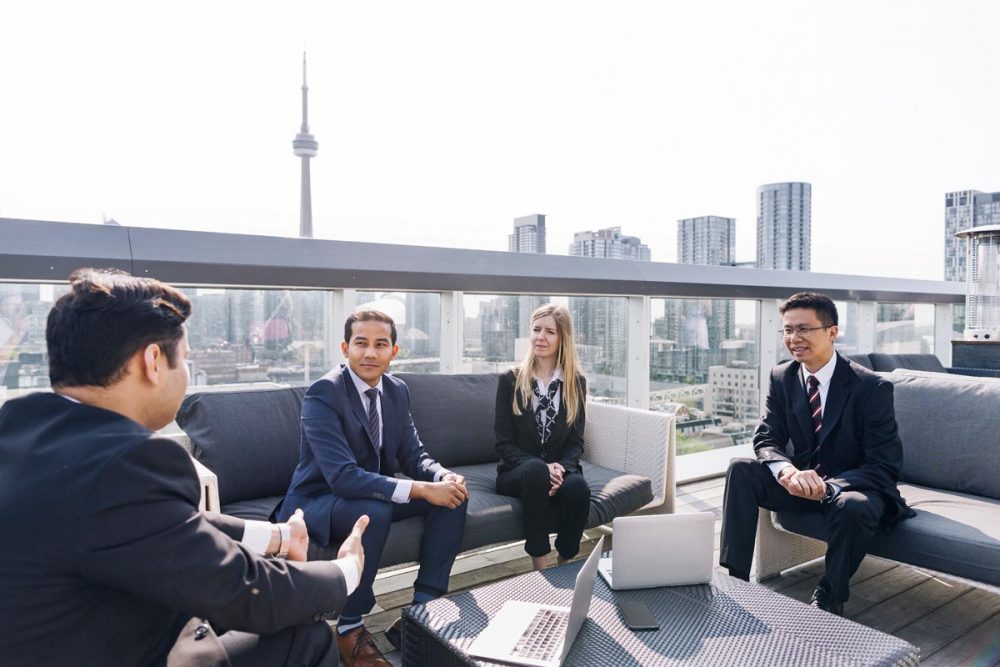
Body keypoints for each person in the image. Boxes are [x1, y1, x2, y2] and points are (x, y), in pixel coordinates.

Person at [0, 269, 368, 667]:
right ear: (153, 361)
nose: (187, 374)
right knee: (304, 639)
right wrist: (346, 570)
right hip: (118, 648)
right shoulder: (126, 462)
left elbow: (153, 523)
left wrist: (277, 535)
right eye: (186, 359)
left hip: (63, 635)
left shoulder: (20, 427)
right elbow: (247, 593)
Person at [274, 309, 469, 667]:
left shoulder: (396, 390)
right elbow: (343, 477)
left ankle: (421, 611)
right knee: (373, 510)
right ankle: (349, 626)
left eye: (380, 345)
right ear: (345, 348)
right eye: (361, 343)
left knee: (453, 497)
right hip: (319, 500)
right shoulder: (324, 393)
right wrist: (421, 490)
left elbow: (413, 453)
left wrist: (442, 476)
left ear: (393, 352)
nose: (369, 353)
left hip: (370, 492)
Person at [719, 292, 913, 615]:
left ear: (832, 332)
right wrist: (788, 472)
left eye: (804, 329)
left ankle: (829, 594)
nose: (794, 338)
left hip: (851, 489)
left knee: (854, 507)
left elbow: (884, 465)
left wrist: (830, 487)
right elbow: (767, 437)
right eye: (788, 330)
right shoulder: (782, 377)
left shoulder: (871, 388)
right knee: (741, 469)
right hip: (801, 484)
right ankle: (736, 579)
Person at [494, 303, 591, 571]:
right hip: (517, 472)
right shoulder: (510, 379)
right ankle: (540, 565)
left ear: (563, 338)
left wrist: (561, 469)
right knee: (537, 470)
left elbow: (576, 441)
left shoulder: (576, 382)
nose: (540, 337)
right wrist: (542, 467)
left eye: (549, 332)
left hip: (559, 470)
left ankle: (566, 562)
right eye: (536, 330)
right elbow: (503, 443)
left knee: (578, 488)